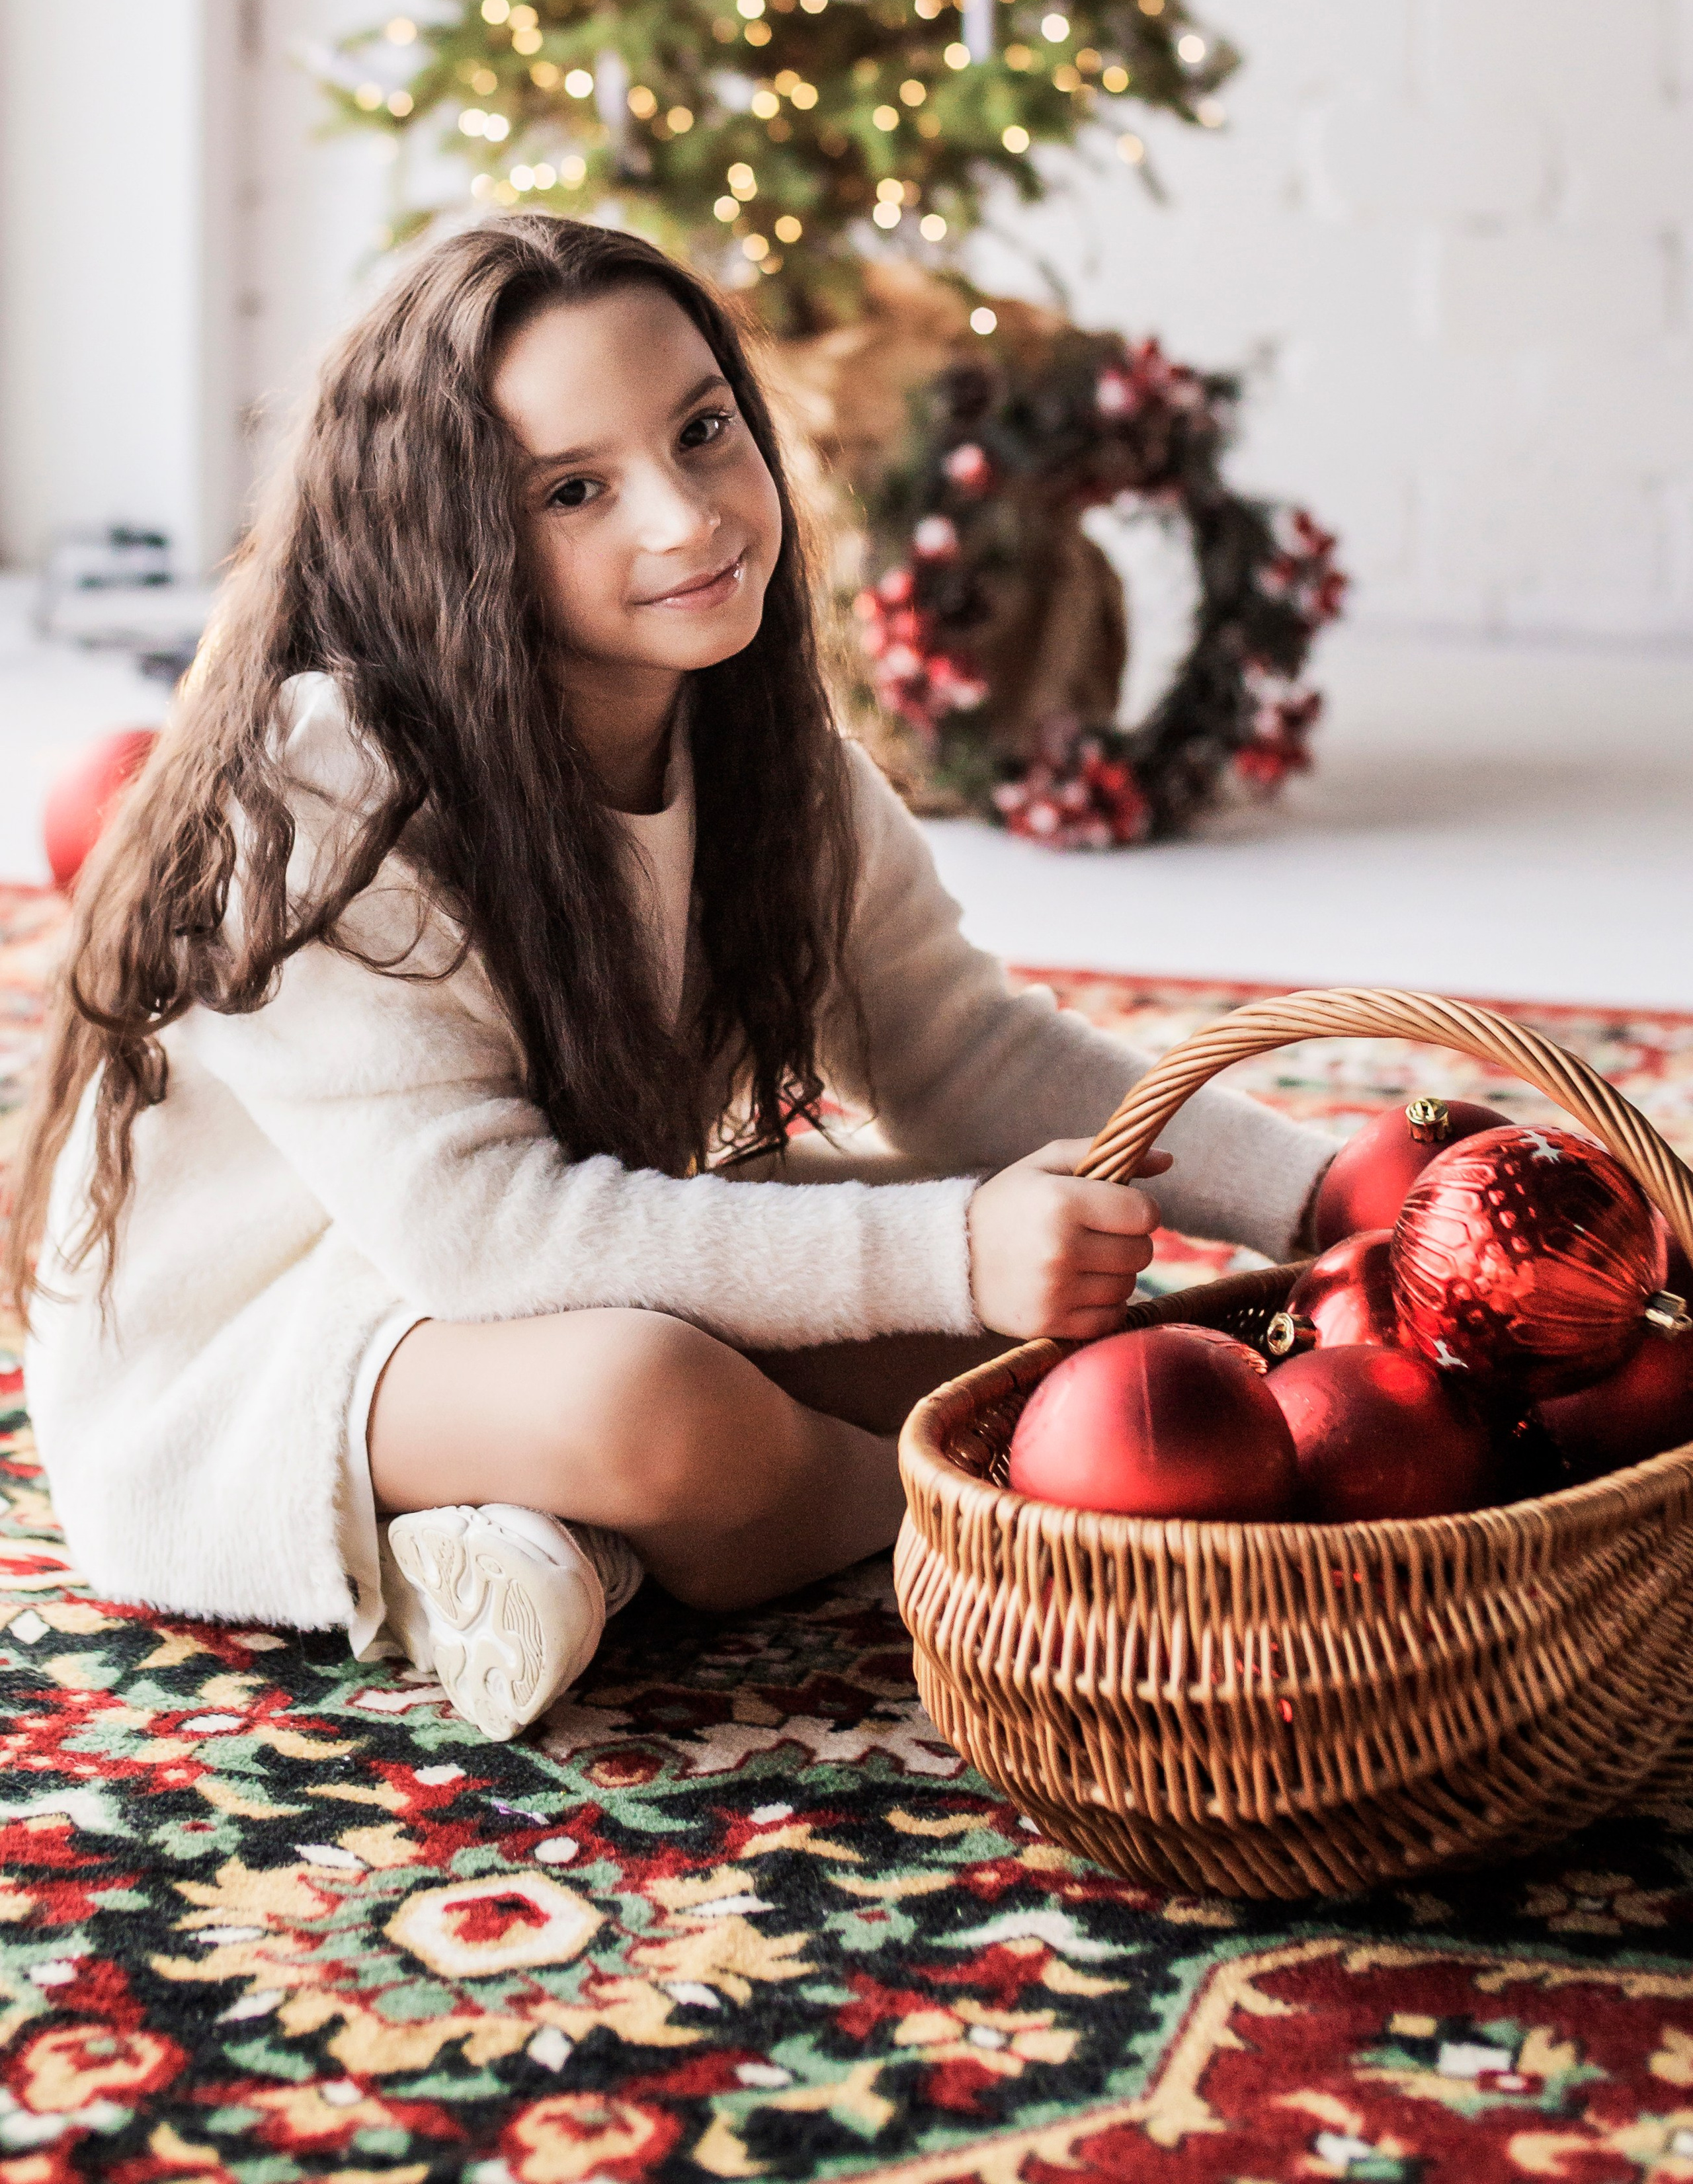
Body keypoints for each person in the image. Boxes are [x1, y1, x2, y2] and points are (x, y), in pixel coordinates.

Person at [11, 218, 1334, 1742]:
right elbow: (484, 1240)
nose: (688, 515)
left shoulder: (772, 760)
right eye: (576, 489)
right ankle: (985, 1539)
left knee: (1048, 1342)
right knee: (657, 1406)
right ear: (454, 541)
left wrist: (1312, 1199)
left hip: (513, 1272)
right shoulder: (326, 787)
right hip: (267, 1342)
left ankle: (557, 1547)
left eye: (703, 431)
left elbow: (966, 1050)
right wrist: (952, 1249)